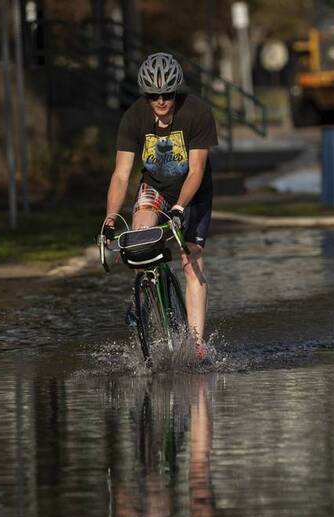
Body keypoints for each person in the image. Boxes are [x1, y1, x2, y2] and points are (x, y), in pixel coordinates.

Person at [103, 52, 218, 360]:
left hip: (193, 193)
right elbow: (120, 174)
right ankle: (145, 292)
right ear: (146, 95)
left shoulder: (197, 113)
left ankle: (196, 344)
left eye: (167, 94)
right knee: (141, 234)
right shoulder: (134, 117)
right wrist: (110, 217)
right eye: (154, 95)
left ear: (176, 91)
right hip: (155, 186)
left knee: (191, 262)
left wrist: (180, 207)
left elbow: (196, 170)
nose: (162, 101)